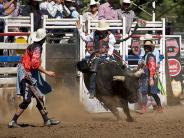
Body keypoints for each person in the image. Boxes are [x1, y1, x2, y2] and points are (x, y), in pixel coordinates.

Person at [8, 28, 60, 128]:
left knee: (38, 96)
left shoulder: (35, 46)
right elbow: (35, 64)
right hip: (27, 74)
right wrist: (47, 72)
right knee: (28, 100)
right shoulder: (37, 48)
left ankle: (46, 120)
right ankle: (13, 121)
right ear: (43, 38)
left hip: (27, 72)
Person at [76, 20, 116, 99]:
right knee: (93, 71)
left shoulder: (110, 35)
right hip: (97, 56)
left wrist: (108, 56)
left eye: (102, 30)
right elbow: (85, 38)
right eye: (100, 30)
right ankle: (92, 90)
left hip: (107, 56)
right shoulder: (94, 33)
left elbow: (111, 47)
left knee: (116, 69)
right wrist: (80, 30)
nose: (101, 32)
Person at [137, 39, 162, 113]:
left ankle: (159, 107)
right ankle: (144, 108)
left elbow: (152, 67)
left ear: (151, 48)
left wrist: (151, 78)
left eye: (148, 47)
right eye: (145, 47)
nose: (146, 48)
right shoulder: (145, 56)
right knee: (144, 92)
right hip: (145, 76)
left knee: (153, 93)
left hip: (150, 76)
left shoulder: (150, 56)